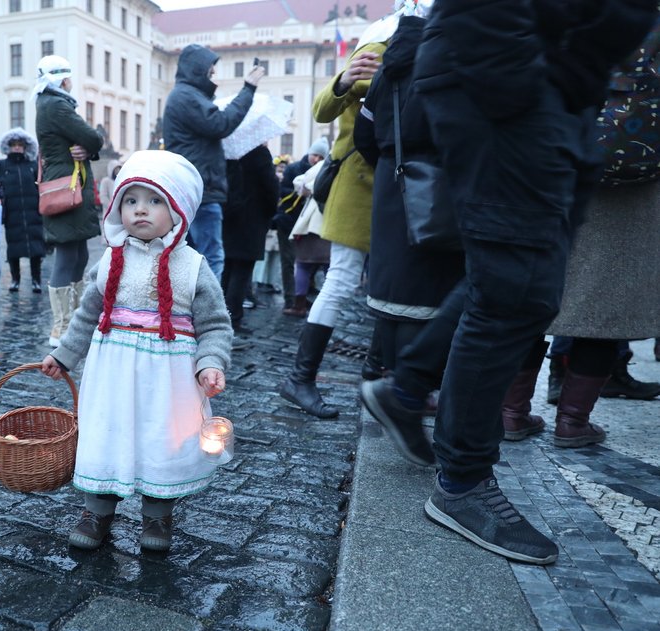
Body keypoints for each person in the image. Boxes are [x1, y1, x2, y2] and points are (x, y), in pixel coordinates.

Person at [362, 0, 657, 564]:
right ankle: (463, 482)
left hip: (542, 73)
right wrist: (533, 80)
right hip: (509, 62)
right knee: (517, 286)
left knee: (513, 280)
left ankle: (406, 392)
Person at [40, 150, 232, 552]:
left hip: (170, 379)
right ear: (118, 206)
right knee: (108, 434)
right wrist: (64, 356)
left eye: (154, 200)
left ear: (177, 209)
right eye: (131, 201)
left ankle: (158, 516)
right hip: (112, 371)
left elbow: (214, 323)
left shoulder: (193, 266)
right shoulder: (109, 262)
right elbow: (87, 313)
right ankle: (97, 511)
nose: (140, 210)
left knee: (161, 438)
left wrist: (210, 362)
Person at [352, 8, 465, 379]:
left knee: (391, 290)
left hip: (391, 182)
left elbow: (363, 136)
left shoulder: (387, 73)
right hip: (437, 186)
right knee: (427, 290)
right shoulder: (449, 64)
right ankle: (410, 385)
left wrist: (391, 164)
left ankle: (388, 373)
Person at [278, 36, 386, 419]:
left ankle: (383, 382)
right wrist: (342, 82)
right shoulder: (380, 44)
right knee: (341, 279)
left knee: (392, 287)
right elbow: (323, 108)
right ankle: (300, 377)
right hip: (358, 186)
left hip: (395, 188)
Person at [162, 44, 266, 281]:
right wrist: (248, 88)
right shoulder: (186, 96)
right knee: (210, 257)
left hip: (196, 188)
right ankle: (208, 314)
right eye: (210, 69)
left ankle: (188, 313)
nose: (213, 74)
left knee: (191, 256)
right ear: (198, 70)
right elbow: (220, 124)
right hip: (201, 191)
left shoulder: (186, 95)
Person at [33, 55, 104, 347]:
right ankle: (60, 328)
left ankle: (74, 321)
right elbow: (93, 137)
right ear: (62, 79)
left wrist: (87, 151)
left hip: (71, 182)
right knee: (66, 255)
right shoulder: (56, 104)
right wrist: (90, 145)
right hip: (66, 185)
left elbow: (88, 145)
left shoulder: (51, 103)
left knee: (78, 253)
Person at [221, 144, 280, 330]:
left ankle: (220, 316)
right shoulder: (259, 153)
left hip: (228, 217)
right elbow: (271, 187)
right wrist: (270, 212)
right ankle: (233, 319)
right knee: (241, 272)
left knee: (227, 270)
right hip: (251, 220)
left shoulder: (229, 151)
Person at [272, 138, 328, 313]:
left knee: (307, 262)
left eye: (320, 156)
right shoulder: (293, 168)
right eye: (314, 155)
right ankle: (292, 299)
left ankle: (302, 297)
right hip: (288, 221)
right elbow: (283, 191)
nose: (316, 159)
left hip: (306, 224)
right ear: (309, 153)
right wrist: (301, 193)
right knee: (289, 262)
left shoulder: (323, 171)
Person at [0, 128, 45, 293]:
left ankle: (36, 280)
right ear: (9, 146)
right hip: (13, 214)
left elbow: (42, 184)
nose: (17, 147)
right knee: (13, 249)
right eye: (14, 144)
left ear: (25, 147)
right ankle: (15, 280)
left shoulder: (33, 165)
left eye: (20, 144)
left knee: (36, 249)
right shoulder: (2, 165)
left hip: (33, 212)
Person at [284, 159, 331, 318]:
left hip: (312, 222)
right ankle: (326, 307)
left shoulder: (326, 162)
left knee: (303, 265)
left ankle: (299, 306)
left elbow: (300, 182)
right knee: (329, 268)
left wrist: (309, 187)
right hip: (332, 221)